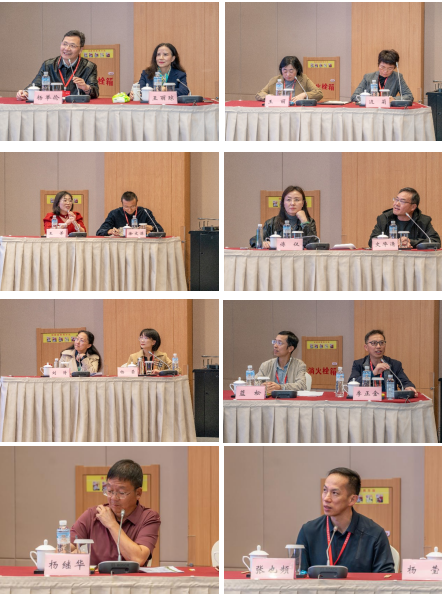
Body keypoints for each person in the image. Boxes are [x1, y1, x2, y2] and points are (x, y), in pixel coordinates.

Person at [297, 467, 395, 573]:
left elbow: (385, 578)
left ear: (352, 499)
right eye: (325, 490)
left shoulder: (374, 534)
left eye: (335, 493)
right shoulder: (309, 531)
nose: (326, 498)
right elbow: (298, 574)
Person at [71, 459, 160, 566]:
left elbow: (138, 559)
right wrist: (68, 553)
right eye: (109, 491)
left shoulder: (149, 517)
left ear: (138, 493)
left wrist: (112, 524)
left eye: (121, 493)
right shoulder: (93, 514)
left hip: (131, 577)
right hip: (97, 577)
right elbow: (66, 547)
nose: (113, 498)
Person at [16, 30, 99, 100]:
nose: (67, 48)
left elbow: (95, 92)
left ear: (80, 50)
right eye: (64, 44)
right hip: (52, 107)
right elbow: (36, 84)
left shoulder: (89, 67)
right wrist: (25, 93)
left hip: (76, 108)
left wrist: (86, 87)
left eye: (72, 45)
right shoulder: (49, 65)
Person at [368, 188, 440, 248]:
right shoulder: (384, 218)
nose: (396, 204)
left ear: (413, 207)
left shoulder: (423, 221)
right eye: (396, 199)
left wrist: (410, 242)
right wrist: (395, 242)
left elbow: (435, 242)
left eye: (402, 201)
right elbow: (372, 242)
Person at [348, 330, 416, 392]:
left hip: (388, 400)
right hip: (367, 400)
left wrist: (408, 387)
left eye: (381, 343)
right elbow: (351, 383)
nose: (378, 346)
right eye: (374, 343)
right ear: (366, 347)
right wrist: (373, 373)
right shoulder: (358, 364)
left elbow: (405, 382)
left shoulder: (395, 364)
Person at [249, 186, 318, 248]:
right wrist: (263, 243)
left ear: (303, 203)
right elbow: (254, 240)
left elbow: (313, 243)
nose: (292, 203)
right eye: (288, 200)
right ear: (283, 203)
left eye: (297, 200)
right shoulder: (271, 223)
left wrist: (304, 222)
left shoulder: (310, 222)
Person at [255, 56, 323, 102]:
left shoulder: (303, 79)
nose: (288, 74)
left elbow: (319, 93)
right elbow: (259, 94)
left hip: (297, 111)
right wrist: (267, 96)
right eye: (285, 71)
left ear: (297, 70)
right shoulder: (275, 80)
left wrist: (304, 95)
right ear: (281, 70)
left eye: (291, 71)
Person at [96, 192, 163, 236]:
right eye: (126, 207)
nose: (129, 209)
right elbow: (100, 232)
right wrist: (110, 231)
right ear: (121, 203)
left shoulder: (145, 212)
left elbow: (160, 230)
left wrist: (151, 228)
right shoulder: (114, 213)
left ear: (137, 202)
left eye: (132, 206)